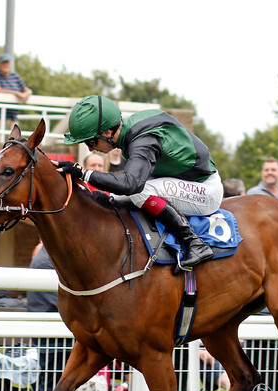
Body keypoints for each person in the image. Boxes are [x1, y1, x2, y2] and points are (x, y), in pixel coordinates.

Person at [58, 95, 222, 269]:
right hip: (185, 180)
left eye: (91, 141)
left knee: (139, 192)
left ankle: (194, 243)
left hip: (205, 190)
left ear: (108, 133)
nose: (90, 148)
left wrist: (84, 173)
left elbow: (131, 184)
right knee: (115, 198)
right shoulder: (133, 129)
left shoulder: (143, 140)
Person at [10, 242, 72, 391]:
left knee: (49, 388)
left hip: (53, 333)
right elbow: (65, 302)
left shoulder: (47, 258)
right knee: (54, 390)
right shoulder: (47, 261)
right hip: (53, 335)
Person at [0, 53, 32, 125]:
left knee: (14, 136)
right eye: (3, 63)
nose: (5, 65)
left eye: (7, 63)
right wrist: (17, 93)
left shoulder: (15, 76)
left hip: (12, 118)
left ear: (10, 64)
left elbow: (27, 90)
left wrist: (26, 94)